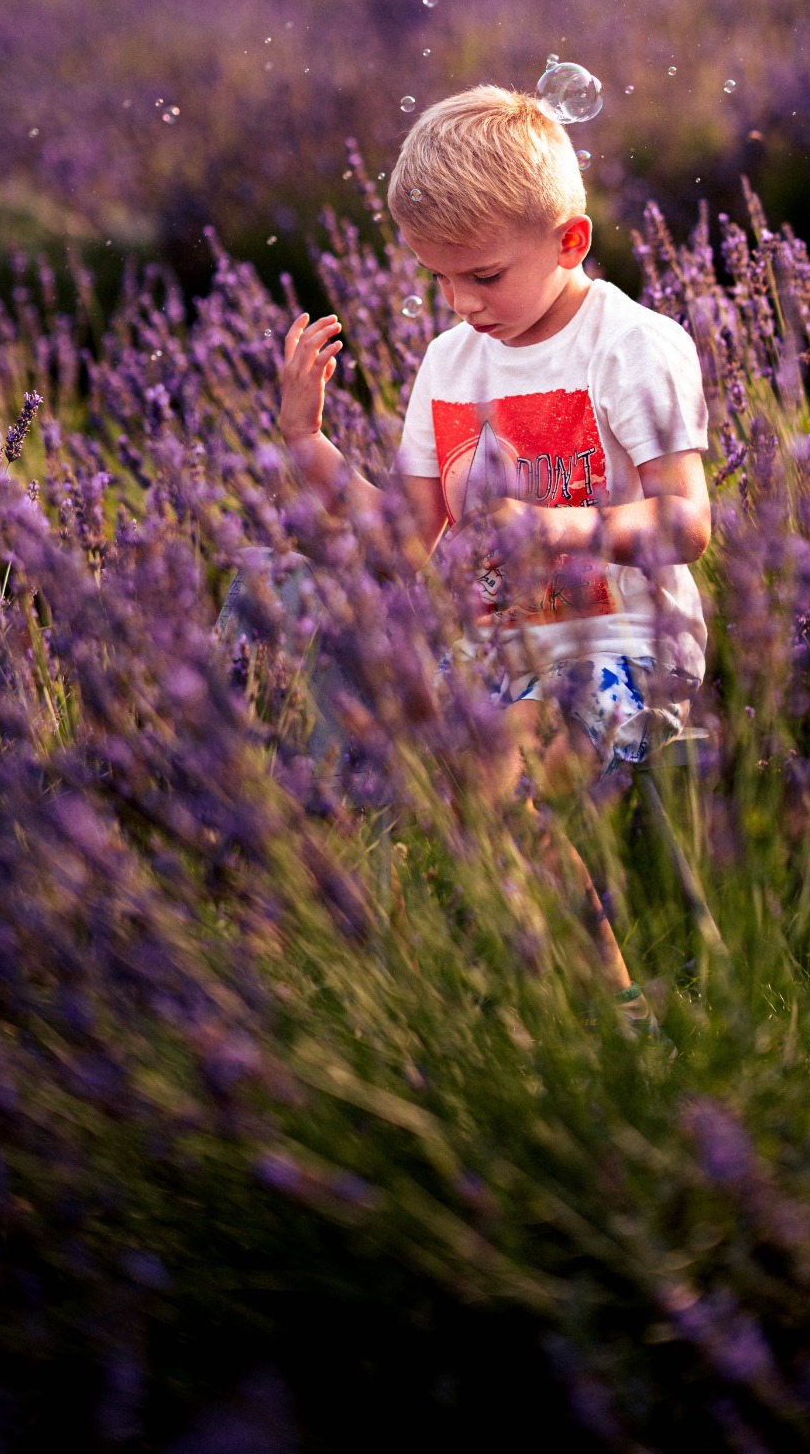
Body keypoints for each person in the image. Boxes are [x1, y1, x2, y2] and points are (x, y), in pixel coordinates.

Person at [279, 85, 711, 1016]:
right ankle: (419, 1001)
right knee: (355, 768)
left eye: (482, 276)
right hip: (488, 656)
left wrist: (567, 528)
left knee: (485, 771)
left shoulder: (634, 347)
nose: (460, 304)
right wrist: (309, 448)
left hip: (619, 650)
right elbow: (403, 540)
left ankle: (610, 1012)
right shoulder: (450, 364)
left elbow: (688, 522)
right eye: (438, 278)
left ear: (569, 242)